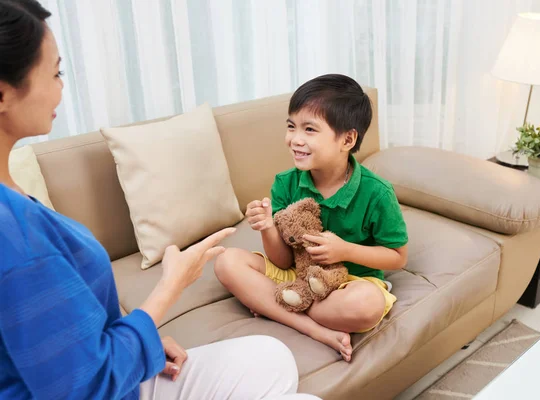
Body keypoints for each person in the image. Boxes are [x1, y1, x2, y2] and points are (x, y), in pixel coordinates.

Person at [0, 1, 319, 399]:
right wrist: (172, 284)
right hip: (106, 387)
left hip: (112, 364)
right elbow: (85, 387)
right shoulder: (16, 237)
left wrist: (139, 339)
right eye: (55, 72)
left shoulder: (13, 202)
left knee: (272, 356)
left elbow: (63, 338)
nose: (62, 86)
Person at [215, 74, 409, 362]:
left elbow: (398, 257)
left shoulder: (377, 193)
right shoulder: (285, 183)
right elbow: (282, 261)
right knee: (226, 262)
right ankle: (313, 328)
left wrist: (344, 250)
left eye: (309, 129)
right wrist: (268, 227)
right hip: (297, 273)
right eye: (291, 126)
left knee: (367, 305)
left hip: (350, 282)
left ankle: (275, 302)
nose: (295, 139)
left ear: (347, 139)